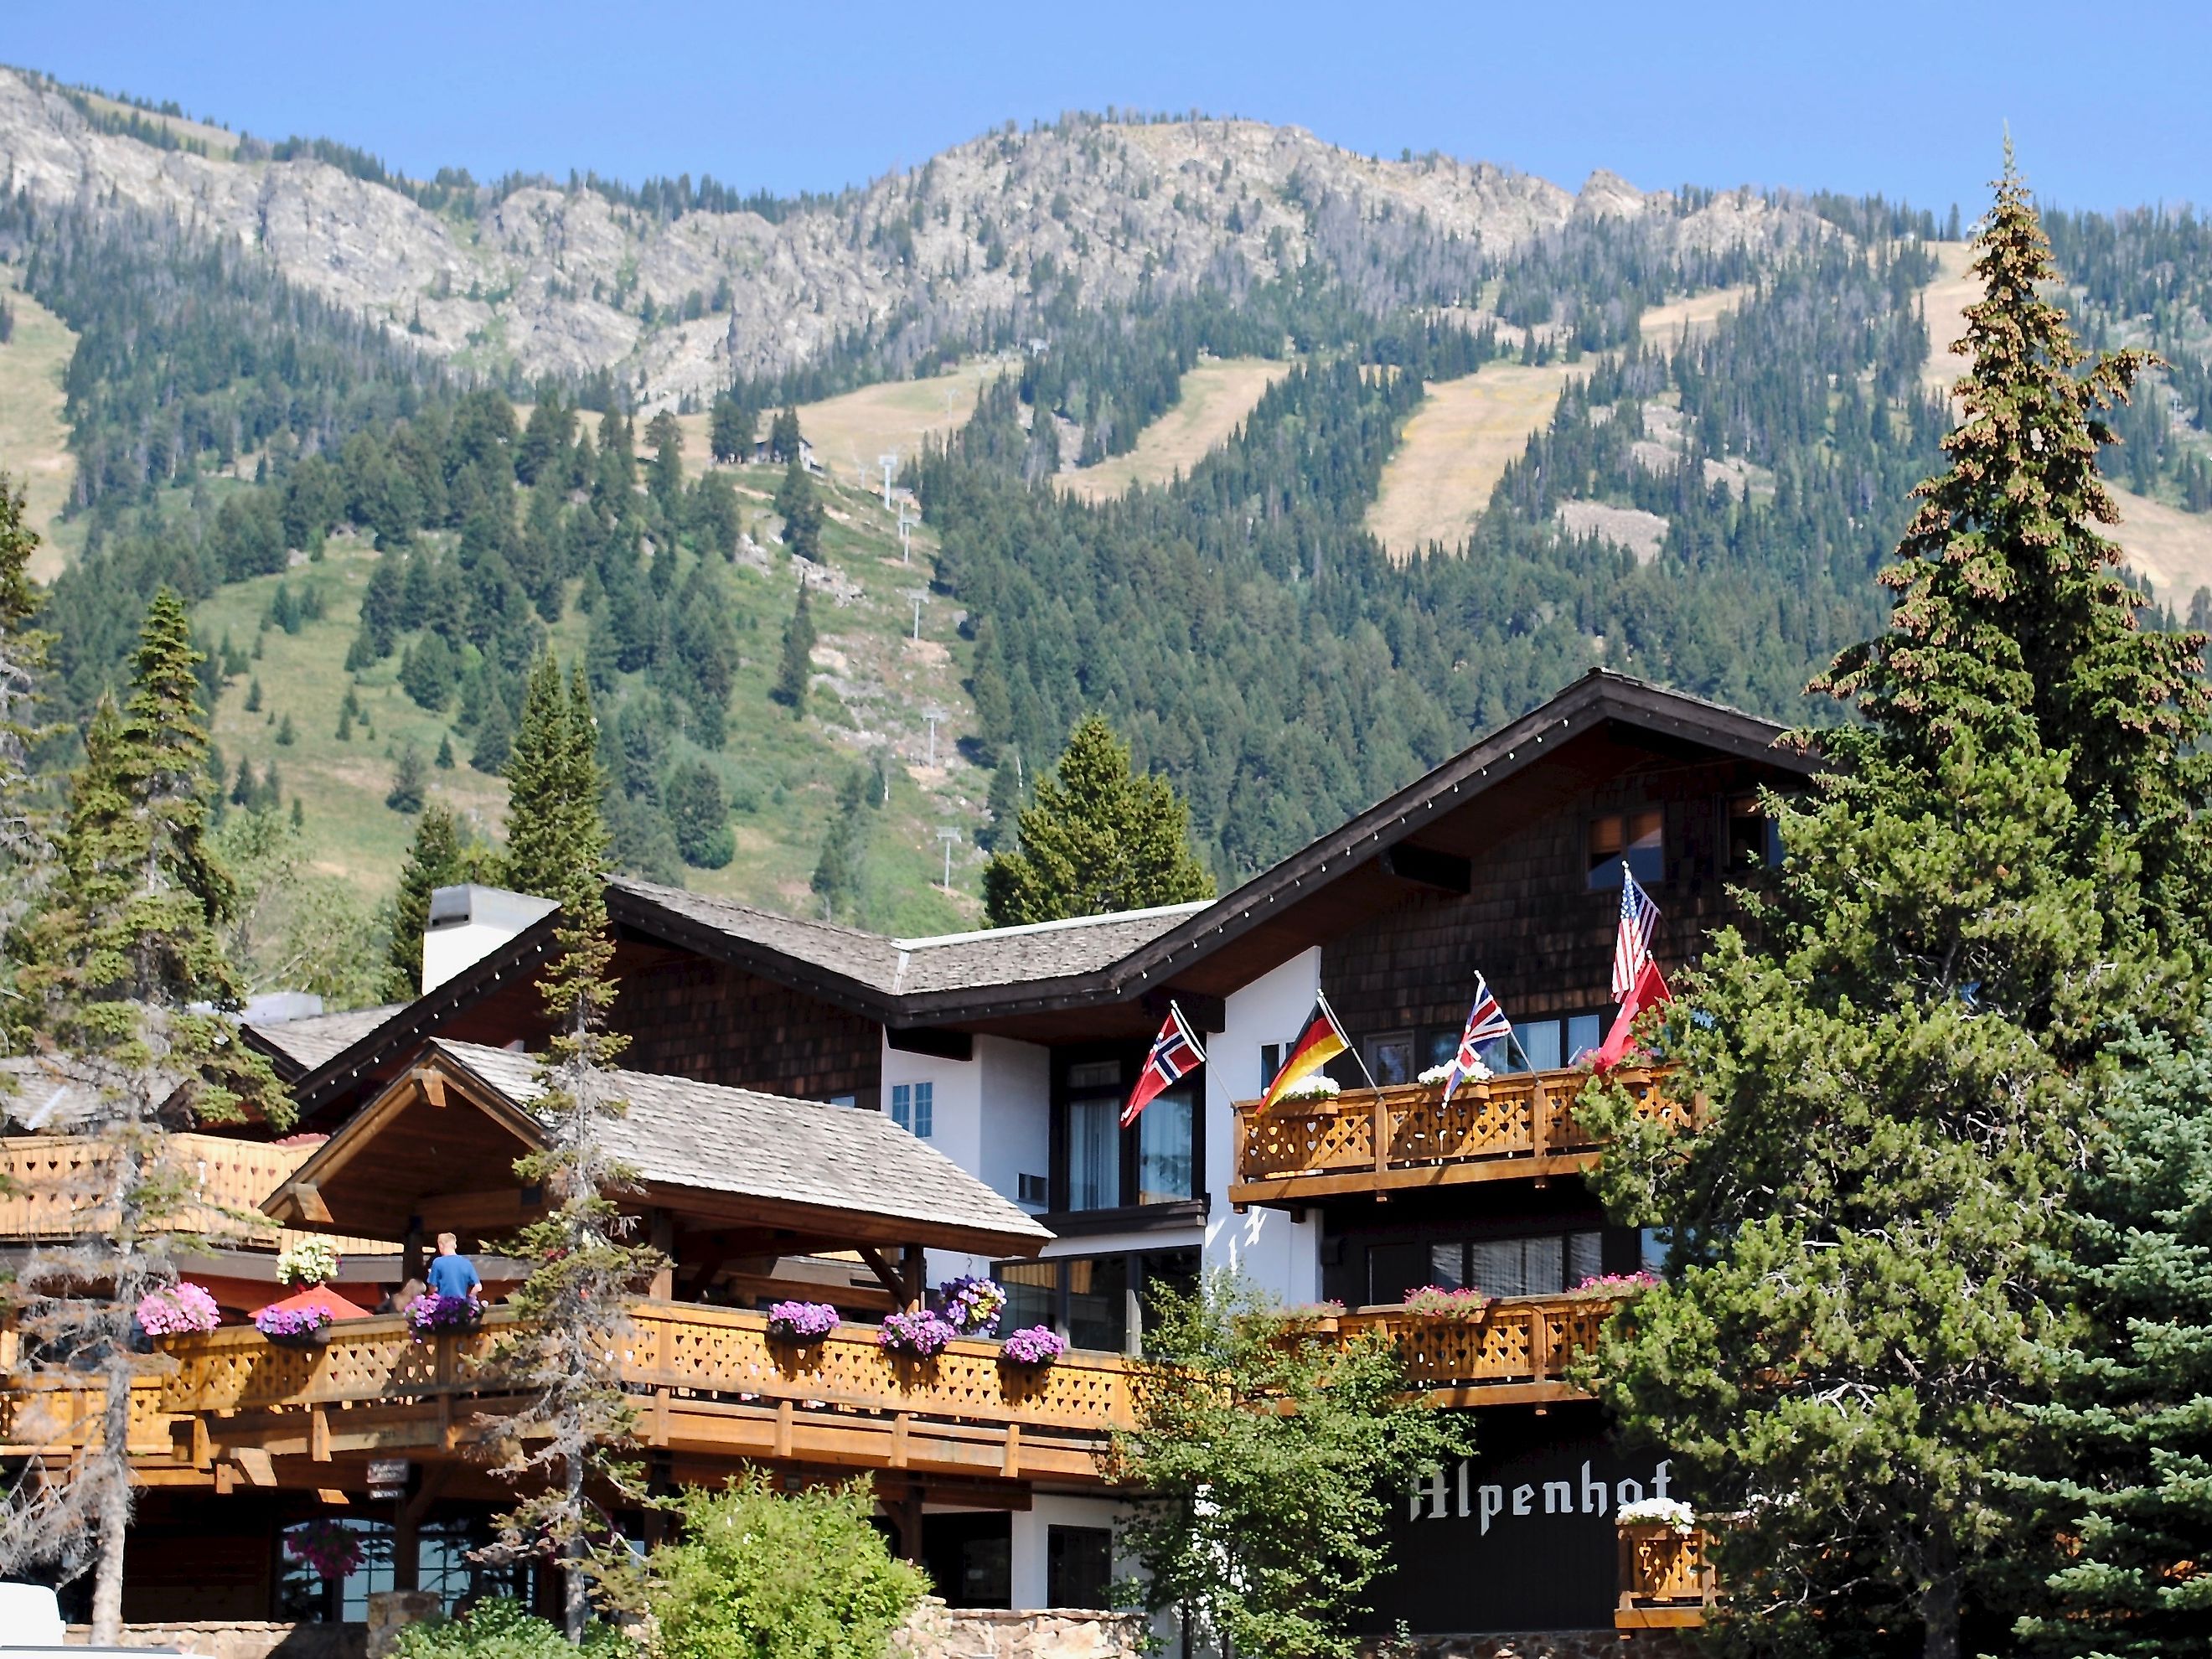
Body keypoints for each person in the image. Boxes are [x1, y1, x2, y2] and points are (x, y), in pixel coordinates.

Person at [425, 1232, 481, 1304]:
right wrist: (469, 1300)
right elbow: (478, 1287)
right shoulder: (466, 1263)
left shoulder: (438, 1262)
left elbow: (433, 1288)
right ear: (455, 1245)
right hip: (461, 1308)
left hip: (443, 1308)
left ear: (441, 1245)